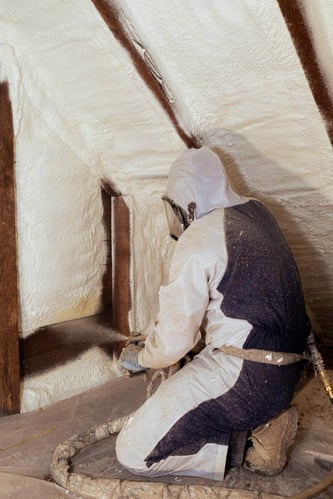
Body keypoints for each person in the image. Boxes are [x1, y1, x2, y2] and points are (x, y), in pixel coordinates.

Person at [116, 146, 311, 481]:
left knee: (133, 451)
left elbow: (174, 341)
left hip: (243, 377)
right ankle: (265, 418)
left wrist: (144, 358)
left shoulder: (201, 235)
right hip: (287, 375)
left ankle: (252, 441)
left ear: (188, 203)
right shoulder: (259, 213)